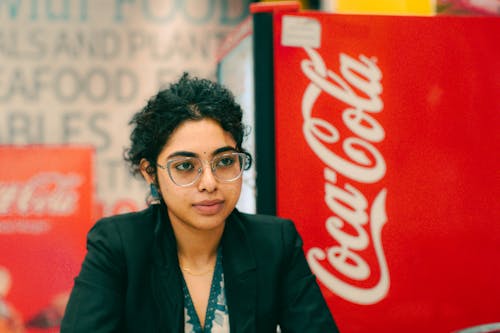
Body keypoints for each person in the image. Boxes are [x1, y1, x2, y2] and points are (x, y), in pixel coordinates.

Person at [60, 73, 339, 333]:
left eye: (226, 162)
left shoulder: (275, 243)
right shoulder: (119, 245)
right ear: (150, 173)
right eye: (185, 166)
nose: (209, 183)